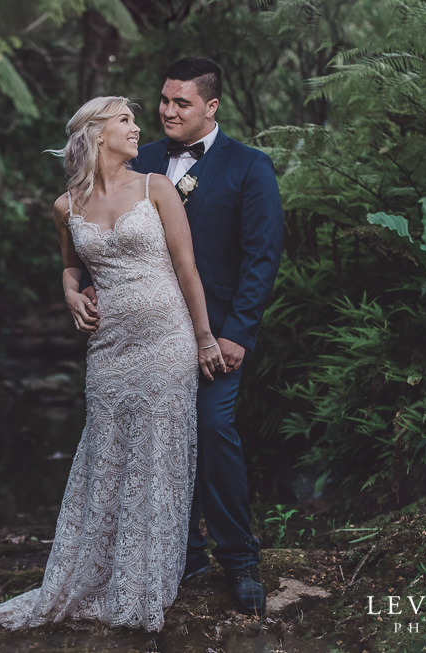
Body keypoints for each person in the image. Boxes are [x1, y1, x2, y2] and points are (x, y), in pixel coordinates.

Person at [0, 96, 224, 632]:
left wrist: (204, 340)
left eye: (133, 119)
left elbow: (188, 268)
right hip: (108, 351)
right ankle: (95, 574)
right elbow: (69, 268)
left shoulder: (158, 189)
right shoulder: (66, 206)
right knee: (105, 456)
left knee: (158, 457)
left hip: (166, 342)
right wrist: (70, 296)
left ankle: (145, 581)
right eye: (125, 120)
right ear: (97, 134)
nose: (137, 128)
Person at [80, 57, 284, 616]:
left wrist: (238, 331)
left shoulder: (249, 167)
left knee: (213, 429)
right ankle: (183, 552)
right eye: (164, 101)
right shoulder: (138, 160)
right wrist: (81, 288)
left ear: (211, 107)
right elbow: (95, 232)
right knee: (158, 435)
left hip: (215, 333)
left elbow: (262, 256)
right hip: (139, 336)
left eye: (181, 103)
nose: (167, 111)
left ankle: (240, 561)